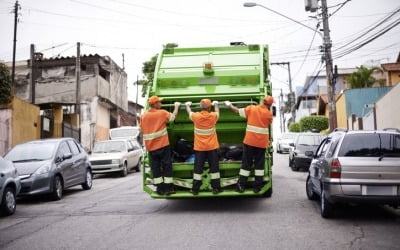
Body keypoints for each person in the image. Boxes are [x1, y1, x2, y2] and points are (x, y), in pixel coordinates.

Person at [225, 96, 274, 193]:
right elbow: (268, 124)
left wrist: (229, 105)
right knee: (259, 165)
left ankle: (241, 185)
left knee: (246, 164)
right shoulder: (269, 115)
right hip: (261, 143)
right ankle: (257, 187)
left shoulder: (252, 108)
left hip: (250, 142)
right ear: (270, 104)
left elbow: (236, 111)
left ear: (262, 101)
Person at [140, 96, 181, 195]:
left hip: (151, 147)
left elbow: (141, 130)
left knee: (155, 168)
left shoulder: (143, 116)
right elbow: (172, 117)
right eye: (159, 102)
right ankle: (168, 189)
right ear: (154, 104)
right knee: (167, 166)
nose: (161, 104)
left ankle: (160, 189)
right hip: (162, 145)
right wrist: (176, 106)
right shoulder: (161, 113)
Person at [185, 99, 222, 195]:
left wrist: (187, 105)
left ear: (201, 107)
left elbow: (189, 112)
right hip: (212, 147)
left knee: (198, 169)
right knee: (214, 168)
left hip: (200, 148)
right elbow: (218, 112)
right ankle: (216, 188)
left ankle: (195, 189)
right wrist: (216, 104)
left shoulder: (196, 116)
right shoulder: (213, 116)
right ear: (209, 107)